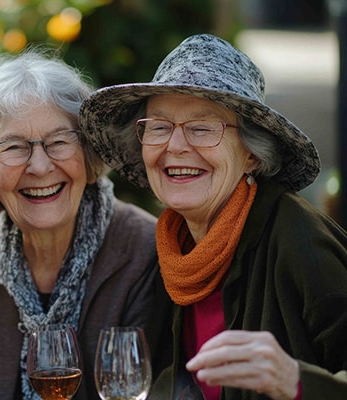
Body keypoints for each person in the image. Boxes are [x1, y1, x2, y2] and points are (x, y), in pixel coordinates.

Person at [79, 33, 347, 399]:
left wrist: (294, 381)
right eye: (159, 126)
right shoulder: (176, 247)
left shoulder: (297, 236)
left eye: (202, 128)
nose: (175, 146)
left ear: (252, 154)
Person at [0, 51, 172, 400]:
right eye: (13, 147)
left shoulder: (146, 250)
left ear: (88, 153)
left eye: (59, 142)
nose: (40, 167)